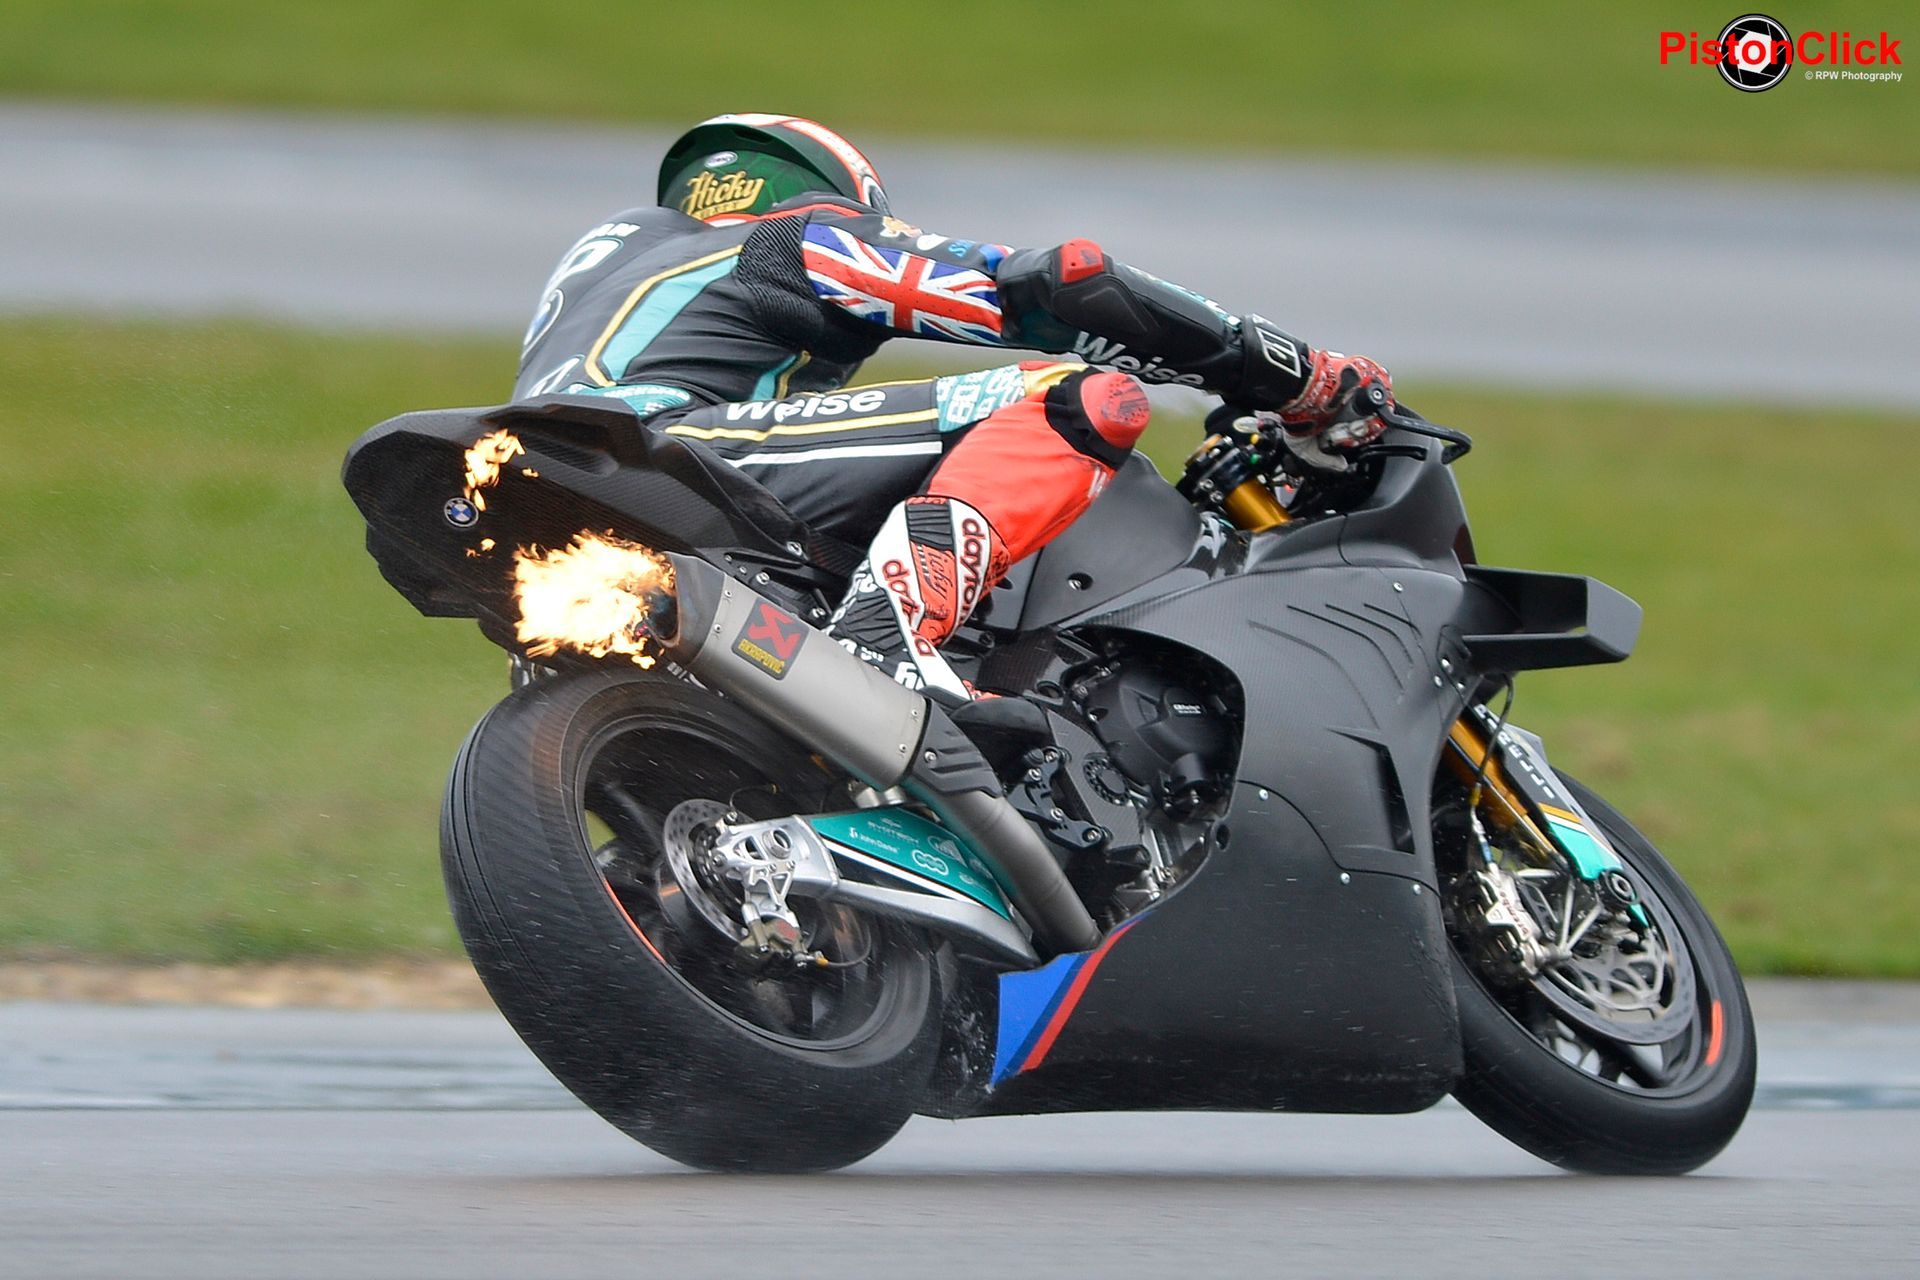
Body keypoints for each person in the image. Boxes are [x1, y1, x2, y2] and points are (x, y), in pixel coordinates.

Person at [515, 113, 1393, 704]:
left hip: (542, 514)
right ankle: (887, 633)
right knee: (1080, 398)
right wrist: (1298, 376)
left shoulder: (615, 277)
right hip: (669, 453)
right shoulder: (796, 235)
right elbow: (1059, 284)